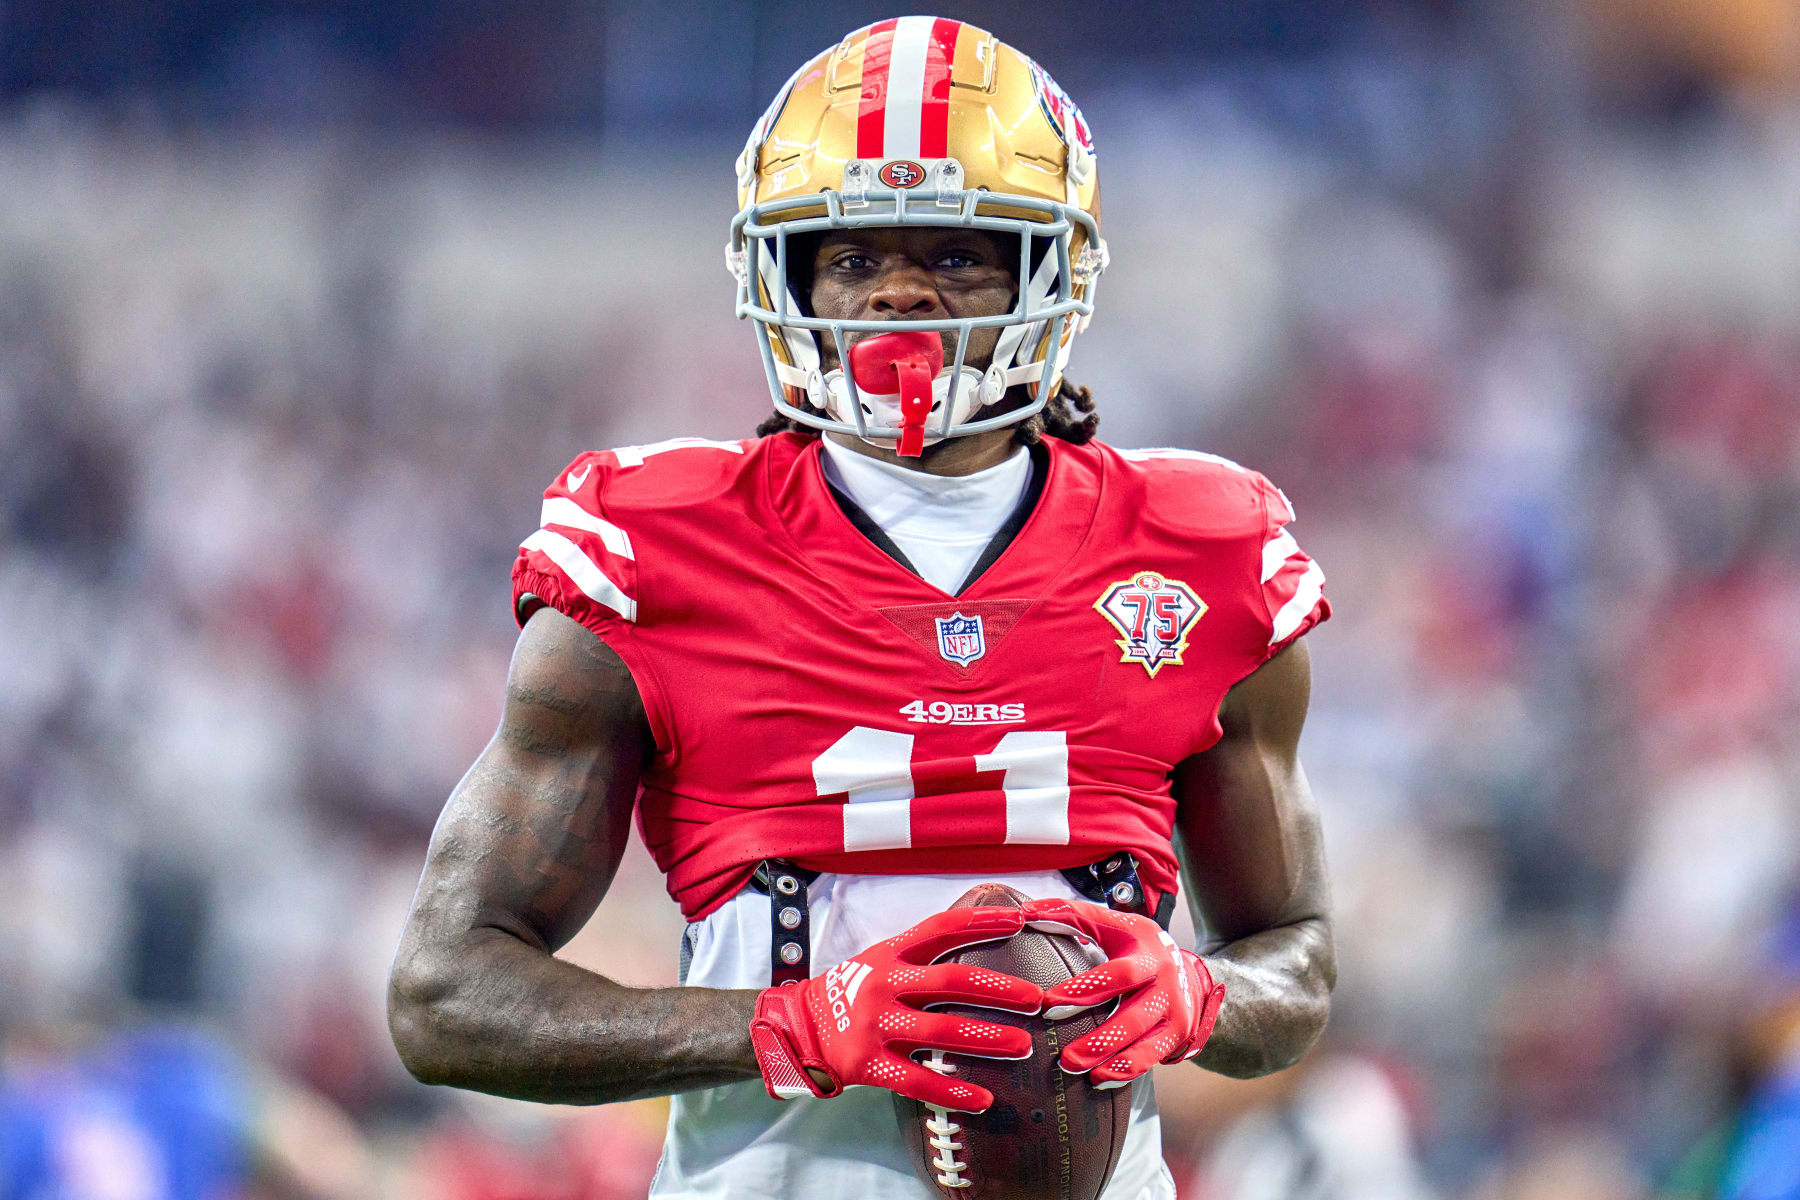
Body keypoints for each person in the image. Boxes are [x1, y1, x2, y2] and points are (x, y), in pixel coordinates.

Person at [388, 17, 1336, 1199]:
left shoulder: (1199, 547)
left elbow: (1294, 962)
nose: (894, 290)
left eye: (952, 254)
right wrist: (790, 1025)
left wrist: (1200, 995)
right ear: (783, 275)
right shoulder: (657, 545)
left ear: (1049, 270)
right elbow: (445, 995)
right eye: (847, 257)